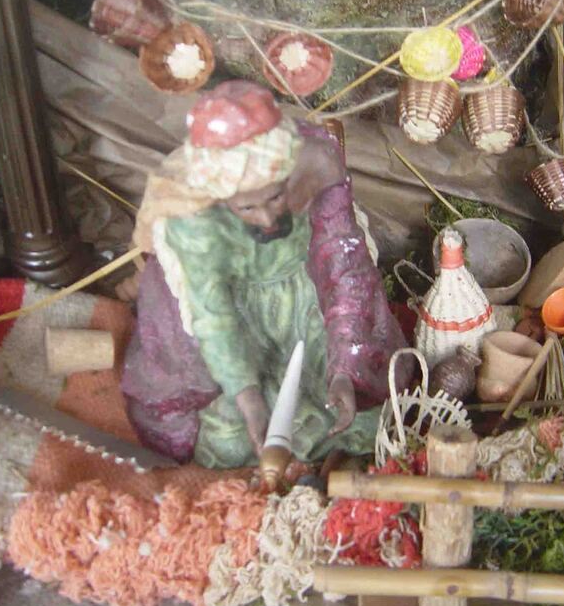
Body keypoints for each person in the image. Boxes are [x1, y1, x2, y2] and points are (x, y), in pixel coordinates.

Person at [122, 80, 409, 467]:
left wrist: (345, 367)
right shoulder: (191, 217)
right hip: (238, 322)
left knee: (362, 419)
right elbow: (213, 312)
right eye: (247, 208)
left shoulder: (317, 165)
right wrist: (248, 398)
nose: (268, 218)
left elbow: (343, 266)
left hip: (311, 302)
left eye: (275, 197)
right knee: (231, 444)